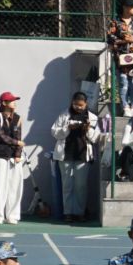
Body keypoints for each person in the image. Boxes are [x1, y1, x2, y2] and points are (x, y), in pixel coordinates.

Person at [50, 92, 105, 222]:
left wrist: (87, 129)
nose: (78, 107)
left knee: (81, 186)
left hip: (83, 154)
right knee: (67, 185)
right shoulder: (64, 114)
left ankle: (79, 212)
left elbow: (96, 138)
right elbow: (54, 132)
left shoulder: (92, 118)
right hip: (66, 153)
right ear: (72, 102)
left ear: (86, 104)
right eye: (75, 104)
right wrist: (68, 128)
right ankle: (68, 212)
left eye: (81, 105)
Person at [0, 92, 28, 224]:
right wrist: (17, 143)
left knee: (15, 186)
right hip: (0, 155)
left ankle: (12, 215)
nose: (14, 103)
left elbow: (19, 136)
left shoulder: (18, 118)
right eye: (12, 101)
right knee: (0, 185)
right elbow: (0, 135)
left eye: (15, 100)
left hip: (13, 157)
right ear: (4, 103)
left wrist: (18, 154)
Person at [107, 0, 133, 110]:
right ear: (125, 7)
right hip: (120, 58)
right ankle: (125, 107)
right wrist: (124, 41)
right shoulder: (115, 22)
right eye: (132, 6)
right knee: (123, 83)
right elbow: (110, 38)